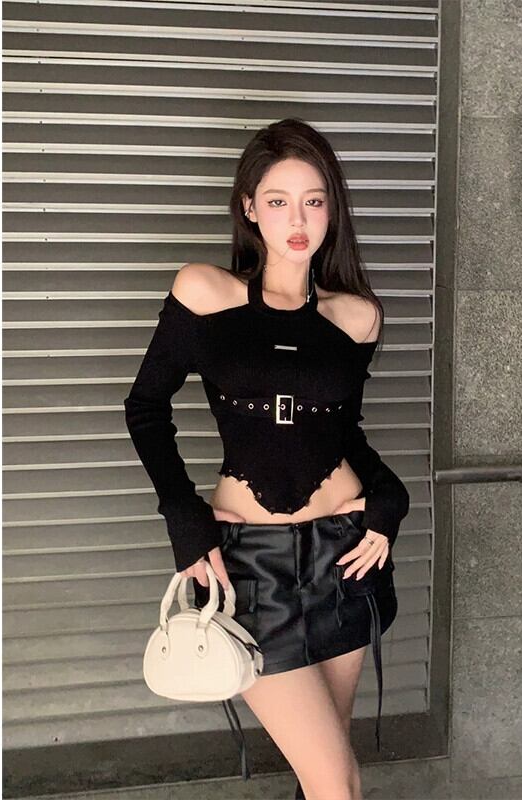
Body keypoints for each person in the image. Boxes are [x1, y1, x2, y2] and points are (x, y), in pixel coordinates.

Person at [124, 118, 410, 800]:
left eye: (314, 200)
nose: (298, 219)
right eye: (278, 201)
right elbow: (145, 407)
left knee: (328, 773)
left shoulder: (357, 317)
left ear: (332, 209)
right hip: (250, 567)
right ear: (249, 207)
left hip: (345, 555)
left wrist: (388, 499)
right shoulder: (203, 292)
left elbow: (343, 434)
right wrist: (184, 517)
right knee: (336, 782)